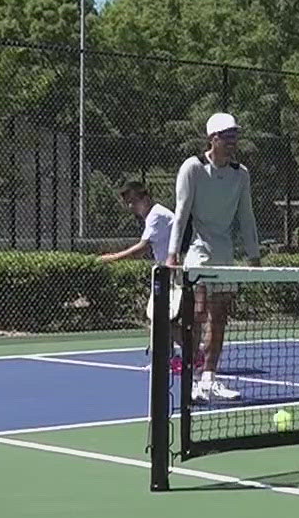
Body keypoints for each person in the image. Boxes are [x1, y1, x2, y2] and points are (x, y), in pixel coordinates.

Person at [168, 112, 261, 403]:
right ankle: (194, 378)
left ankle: (210, 378)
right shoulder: (192, 168)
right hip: (198, 253)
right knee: (197, 313)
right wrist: (172, 254)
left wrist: (254, 256)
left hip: (225, 256)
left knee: (219, 318)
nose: (233, 141)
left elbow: (246, 216)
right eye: (227, 136)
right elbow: (181, 213)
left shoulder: (240, 174)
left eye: (235, 136)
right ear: (213, 138)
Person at [98, 180, 181, 372]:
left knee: (164, 319)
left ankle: (192, 356)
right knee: (162, 319)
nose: (131, 207)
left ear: (146, 198)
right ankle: (170, 357)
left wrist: (112, 258)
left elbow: (141, 249)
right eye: (128, 203)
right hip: (165, 273)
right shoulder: (154, 214)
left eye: (134, 201)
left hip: (172, 274)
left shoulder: (157, 215)